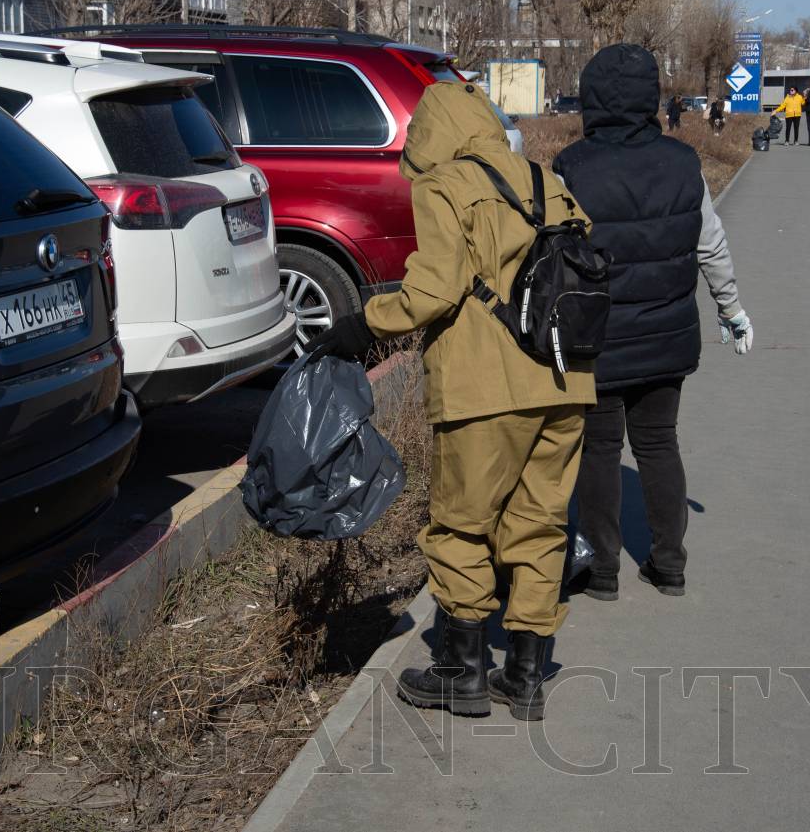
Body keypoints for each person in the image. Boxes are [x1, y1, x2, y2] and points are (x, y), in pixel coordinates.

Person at [309, 81, 596, 723]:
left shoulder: (445, 185)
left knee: (461, 524)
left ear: (431, 135)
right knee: (540, 523)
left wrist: (362, 325)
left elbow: (434, 292)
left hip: (485, 387)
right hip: (566, 381)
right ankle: (525, 675)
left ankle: (462, 672)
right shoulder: (548, 182)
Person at [554, 44, 752, 602]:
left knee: (599, 450)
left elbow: (554, 254)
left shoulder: (572, 166)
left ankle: (603, 570)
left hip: (598, 339)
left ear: (592, 97)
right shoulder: (682, 162)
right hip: (668, 336)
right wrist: (731, 308)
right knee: (659, 443)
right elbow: (710, 244)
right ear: (650, 96)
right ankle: (669, 565)